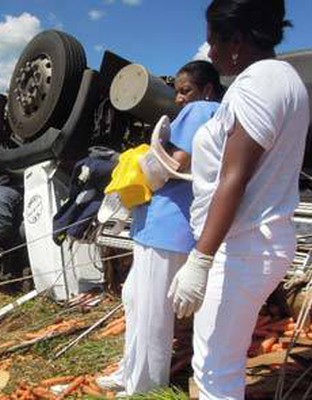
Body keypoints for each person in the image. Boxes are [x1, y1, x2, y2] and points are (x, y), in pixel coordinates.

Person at [167, 0, 310, 398]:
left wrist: (201, 258)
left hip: (242, 245)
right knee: (219, 362)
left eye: (214, 41)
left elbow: (235, 177)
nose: (209, 52)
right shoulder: (285, 80)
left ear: (239, 41)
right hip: (254, 242)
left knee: (214, 370)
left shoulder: (256, 84)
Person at [97, 61, 224, 394]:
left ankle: (145, 386)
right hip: (161, 226)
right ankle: (130, 372)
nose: (180, 98)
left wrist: (136, 164)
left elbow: (175, 162)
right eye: (178, 92)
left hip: (168, 226)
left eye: (187, 90)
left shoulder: (202, 110)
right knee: (136, 300)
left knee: (153, 312)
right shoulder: (218, 113)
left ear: (207, 89)